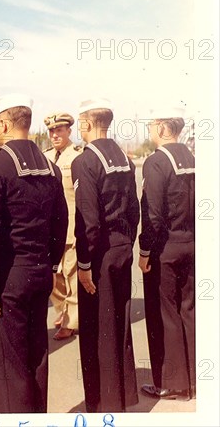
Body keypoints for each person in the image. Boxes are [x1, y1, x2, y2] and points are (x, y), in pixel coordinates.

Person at [0, 94, 68, 413]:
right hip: (40, 273)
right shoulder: (51, 168)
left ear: (2, 124)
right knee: (37, 355)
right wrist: (53, 264)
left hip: (8, 279)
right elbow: (61, 220)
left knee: (9, 363)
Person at [71, 98, 139, 412]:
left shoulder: (85, 161)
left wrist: (84, 264)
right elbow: (135, 209)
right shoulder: (124, 157)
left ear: (86, 123)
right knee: (119, 324)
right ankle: (123, 397)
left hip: (99, 256)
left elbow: (88, 221)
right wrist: (129, 242)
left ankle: (103, 403)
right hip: (122, 248)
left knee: (97, 329)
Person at [138, 108, 195, 401]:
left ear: (162, 127)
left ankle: (173, 383)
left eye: (151, 125)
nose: (149, 130)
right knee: (188, 311)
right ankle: (194, 379)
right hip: (191, 243)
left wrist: (145, 251)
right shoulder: (192, 158)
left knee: (166, 315)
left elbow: (153, 216)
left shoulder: (157, 161)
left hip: (166, 248)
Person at [43, 112, 82, 340]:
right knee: (53, 277)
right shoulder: (45, 157)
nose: (55, 135)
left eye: (60, 130)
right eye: (51, 131)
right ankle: (62, 310)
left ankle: (70, 322)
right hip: (48, 228)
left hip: (72, 227)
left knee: (72, 275)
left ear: (69, 131)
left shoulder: (77, 156)